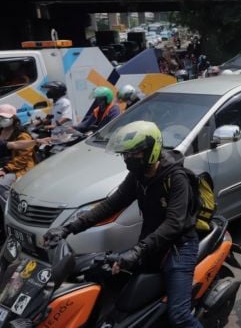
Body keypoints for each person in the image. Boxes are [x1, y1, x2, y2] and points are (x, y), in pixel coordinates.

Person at [43, 121, 202, 327]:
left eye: (132, 154)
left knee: (179, 316)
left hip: (179, 248)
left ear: (150, 150)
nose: (127, 159)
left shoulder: (176, 178)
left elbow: (174, 223)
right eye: (125, 154)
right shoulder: (138, 175)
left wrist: (137, 251)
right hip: (149, 244)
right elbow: (111, 205)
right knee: (102, 277)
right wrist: (68, 228)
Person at [0, 104, 35, 206]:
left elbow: (22, 159)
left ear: (13, 118)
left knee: (1, 185)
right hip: (3, 165)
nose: (1, 120)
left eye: (4, 117)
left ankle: (11, 210)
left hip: (17, 168)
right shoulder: (1, 131)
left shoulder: (22, 135)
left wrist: (5, 169)